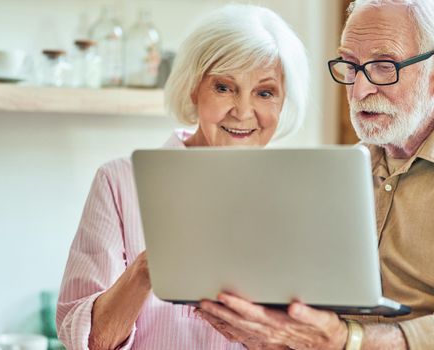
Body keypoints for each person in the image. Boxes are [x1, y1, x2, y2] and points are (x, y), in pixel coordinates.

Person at [198, 1, 434, 349]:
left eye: (383, 67)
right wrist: (270, 333)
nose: (359, 91)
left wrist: (349, 340)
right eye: (350, 67)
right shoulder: (347, 168)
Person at [56, 4, 309, 350]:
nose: (244, 111)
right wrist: (147, 269)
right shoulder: (119, 182)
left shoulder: (301, 194)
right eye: (224, 87)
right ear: (194, 89)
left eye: (264, 93)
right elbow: (88, 341)